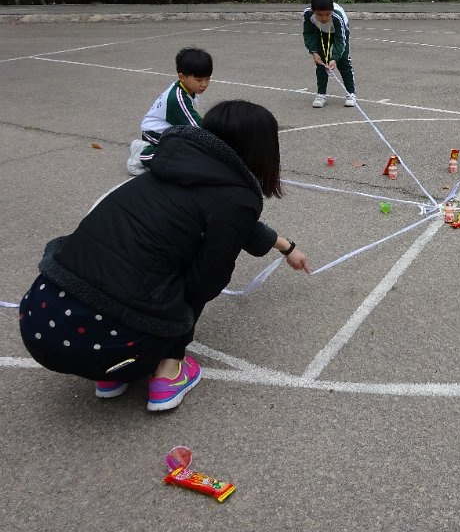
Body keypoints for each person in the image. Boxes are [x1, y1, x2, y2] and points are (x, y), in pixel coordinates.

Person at [20, 100, 312, 412]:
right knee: (195, 278)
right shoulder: (237, 198)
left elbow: (228, 220)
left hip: (42, 318)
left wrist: (285, 246)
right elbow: (208, 278)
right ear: (262, 148)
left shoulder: (171, 166)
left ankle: (110, 377)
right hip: (112, 343)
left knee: (133, 264)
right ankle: (167, 373)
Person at [126, 46, 212, 175]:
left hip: (169, 130)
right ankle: (141, 155)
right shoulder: (177, 98)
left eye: (207, 78)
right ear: (182, 77)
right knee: (183, 154)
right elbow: (197, 127)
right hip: (155, 134)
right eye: (199, 80)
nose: (204, 84)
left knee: (193, 148)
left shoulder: (189, 89)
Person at [302, 0, 356, 109]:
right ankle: (321, 94)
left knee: (343, 61)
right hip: (321, 32)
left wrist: (334, 58)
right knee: (321, 62)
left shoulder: (337, 17)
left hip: (339, 33)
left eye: (327, 14)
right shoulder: (307, 14)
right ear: (313, 10)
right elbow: (308, 33)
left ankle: (351, 93)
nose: (324, 18)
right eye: (319, 15)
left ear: (332, 10)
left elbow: (340, 40)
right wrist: (313, 51)